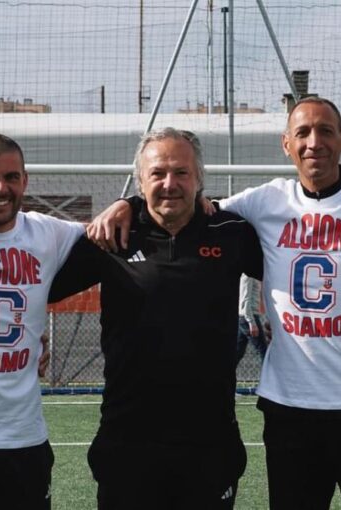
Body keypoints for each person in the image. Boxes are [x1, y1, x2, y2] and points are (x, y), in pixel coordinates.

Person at [88, 98, 341, 510]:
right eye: (302, 133)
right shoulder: (265, 202)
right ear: (286, 144)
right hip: (289, 406)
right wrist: (129, 203)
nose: (314, 142)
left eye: (326, 131)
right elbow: (183, 204)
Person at [49, 128, 263, 510]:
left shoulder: (232, 233)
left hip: (209, 445)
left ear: (199, 178)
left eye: (181, 172)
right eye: (158, 173)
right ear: (141, 180)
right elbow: (36, 288)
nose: (169, 184)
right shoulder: (112, 236)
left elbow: (297, 252)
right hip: (127, 442)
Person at [0, 134, 84, 510]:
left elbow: (109, 232)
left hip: (24, 440)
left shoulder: (48, 233)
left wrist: (124, 205)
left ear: (25, 180)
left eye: (10, 177)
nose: (0, 188)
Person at [236, 274, 267, 367]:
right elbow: (245, 299)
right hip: (248, 317)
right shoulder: (248, 276)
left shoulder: (253, 276)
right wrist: (251, 322)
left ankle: (223, 374)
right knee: (263, 350)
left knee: (238, 352)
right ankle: (267, 376)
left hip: (246, 317)